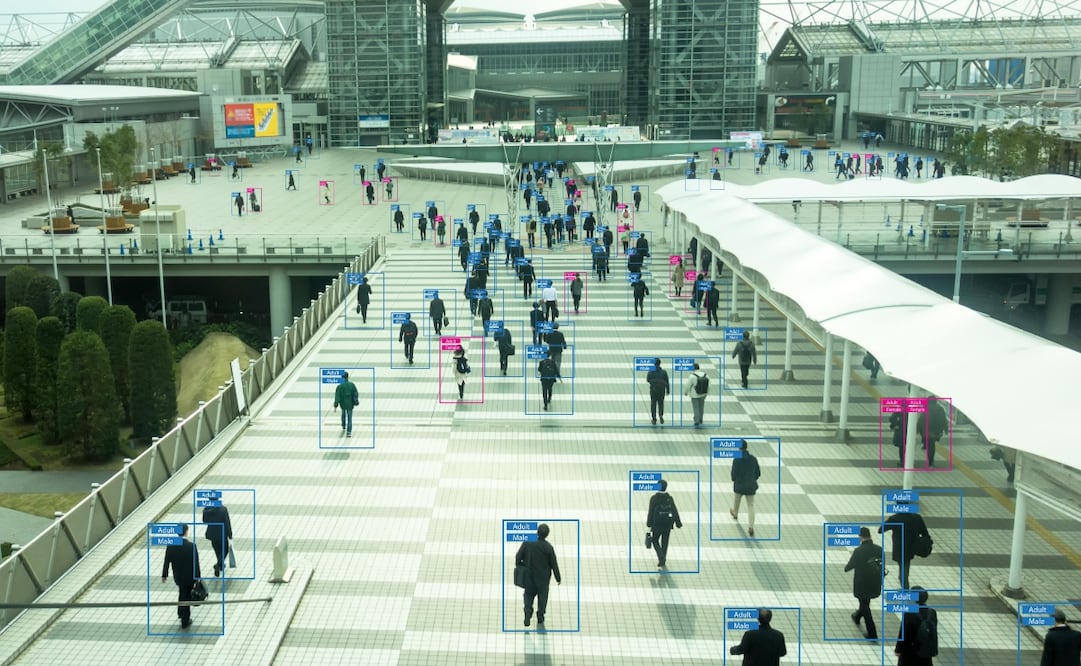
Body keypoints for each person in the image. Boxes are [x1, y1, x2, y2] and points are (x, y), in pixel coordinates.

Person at [515, 523, 561, 627]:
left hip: (529, 576)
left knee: (528, 595)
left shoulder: (527, 542)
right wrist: (558, 578)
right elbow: (554, 564)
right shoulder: (548, 548)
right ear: (547, 534)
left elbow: (518, 556)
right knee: (542, 598)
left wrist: (520, 566)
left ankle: (527, 613)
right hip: (543, 580)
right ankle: (540, 616)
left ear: (537, 532)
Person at [844, 526, 883, 640]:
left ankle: (872, 633)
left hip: (862, 583)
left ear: (860, 537)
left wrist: (849, 566)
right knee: (865, 602)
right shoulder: (879, 549)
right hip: (875, 582)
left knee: (865, 606)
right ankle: (857, 616)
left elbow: (848, 567)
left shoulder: (859, 551)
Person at [160, 523, 201, 629]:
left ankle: (181, 612)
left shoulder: (171, 546)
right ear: (186, 532)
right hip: (190, 576)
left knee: (182, 592)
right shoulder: (191, 546)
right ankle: (185, 619)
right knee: (186, 595)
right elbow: (196, 563)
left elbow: (166, 561)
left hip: (178, 576)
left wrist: (164, 575)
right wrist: (198, 577)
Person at [880, 503, 929, 589]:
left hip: (899, 549)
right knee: (904, 567)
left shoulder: (895, 519)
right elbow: (925, 534)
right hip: (912, 548)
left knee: (903, 571)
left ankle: (905, 590)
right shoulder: (917, 518)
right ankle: (904, 586)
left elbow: (881, 530)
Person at [895, 587, 936, 665]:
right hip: (925, 649)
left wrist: (898, 650)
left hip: (910, 651)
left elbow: (903, 634)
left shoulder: (909, 613)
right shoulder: (932, 612)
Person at [646, 479, 682, 568]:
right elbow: (674, 510)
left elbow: (651, 511)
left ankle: (660, 556)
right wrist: (678, 523)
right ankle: (663, 559)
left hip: (657, 524)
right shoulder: (669, 498)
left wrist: (649, 524)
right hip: (667, 524)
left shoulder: (654, 498)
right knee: (665, 542)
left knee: (655, 540)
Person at [729, 439, 761, 536]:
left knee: (737, 500)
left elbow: (733, 475)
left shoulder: (736, 460)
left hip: (739, 485)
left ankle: (735, 513)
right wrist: (753, 479)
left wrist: (735, 480)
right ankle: (751, 527)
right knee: (750, 505)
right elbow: (758, 473)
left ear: (739, 448)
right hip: (750, 486)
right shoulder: (753, 459)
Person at [202, 501, 232, 578]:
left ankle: (220, 565)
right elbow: (227, 522)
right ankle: (218, 565)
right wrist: (230, 534)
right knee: (225, 550)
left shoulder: (206, 509)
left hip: (212, 534)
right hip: (222, 533)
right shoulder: (223, 509)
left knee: (217, 550)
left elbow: (204, 521)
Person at [916, 400, 948, 467]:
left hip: (927, 430)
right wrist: (946, 429)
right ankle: (931, 461)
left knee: (930, 444)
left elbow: (921, 420)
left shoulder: (926, 408)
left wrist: (918, 429)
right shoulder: (940, 409)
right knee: (931, 444)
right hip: (937, 431)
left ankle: (930, 460)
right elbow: (944, 419)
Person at [333, 371, 359, 437]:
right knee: (350, 418)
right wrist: (355, 401)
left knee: (343, 414)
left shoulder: (339, 386)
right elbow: (355, 393)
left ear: (342, 378)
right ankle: (349, 432)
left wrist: (335, 405)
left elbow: (337, 397)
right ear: (348, 377)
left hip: (343, 404)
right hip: (350, 404)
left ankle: (343, 425)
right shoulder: (352, 385)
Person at [683, 362, 708, 427]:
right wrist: (706, 393)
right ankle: (700, 419)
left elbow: (688, 385)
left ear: (693, 368)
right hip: (703, 394)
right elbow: (709, 385)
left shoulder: (692, 376)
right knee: (701, 407)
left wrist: (685, 392)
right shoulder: (705, 375)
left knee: (696, 407)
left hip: (694, 395)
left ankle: (696, 421)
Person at [646, 358, 669, 425]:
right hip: (662, 390)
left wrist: (653, 381)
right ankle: (660, 415)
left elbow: (648, 380)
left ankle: (654, 418)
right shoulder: (664, 372)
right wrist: (668, 390)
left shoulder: (651, 371)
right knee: (661, 403)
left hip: (653, 390)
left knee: (653, 404)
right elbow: (667, 381)